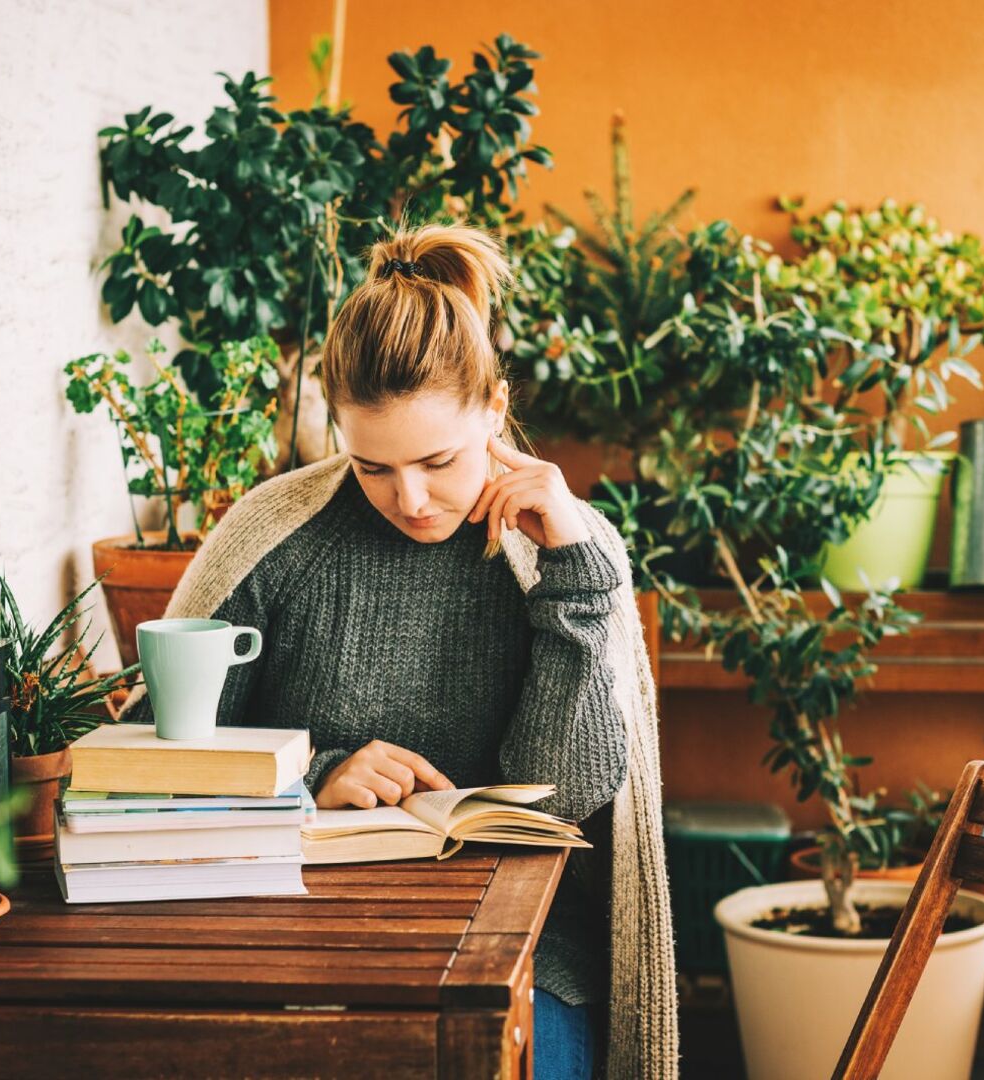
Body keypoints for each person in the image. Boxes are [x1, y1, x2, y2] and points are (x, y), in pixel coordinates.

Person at [119, 223, 677, 1079]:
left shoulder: (564, 550)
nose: (410, 499)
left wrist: (577, 585)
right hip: (297, 939)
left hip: (529, 954)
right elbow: (153, 763)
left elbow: (558, 802)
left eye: (438, 461)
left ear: (495, 407)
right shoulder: (274, 534)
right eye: (371, 466)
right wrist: (312, 775)